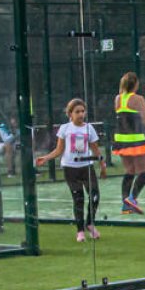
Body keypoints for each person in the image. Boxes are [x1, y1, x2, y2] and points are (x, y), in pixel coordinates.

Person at [36, 99, 105, 242]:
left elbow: (95, 149)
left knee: (95, 196)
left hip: (87, 167)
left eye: (82, 111)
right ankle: (80, 231)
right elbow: (59, 150)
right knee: (78, 198)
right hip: (70, 168)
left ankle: (90, 224)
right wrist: (46, 158)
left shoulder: (89, 128)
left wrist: (102, 165)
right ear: (70, 114)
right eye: (77, 112)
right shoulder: (65, 129)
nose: (80, 114)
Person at [113, 72, 145, 214]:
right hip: (135, 139)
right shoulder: (138, 99)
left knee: (129, 170)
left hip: (121, 140)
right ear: (135, 84)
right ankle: (132, 198)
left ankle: (125, 205)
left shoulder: (118, 99)